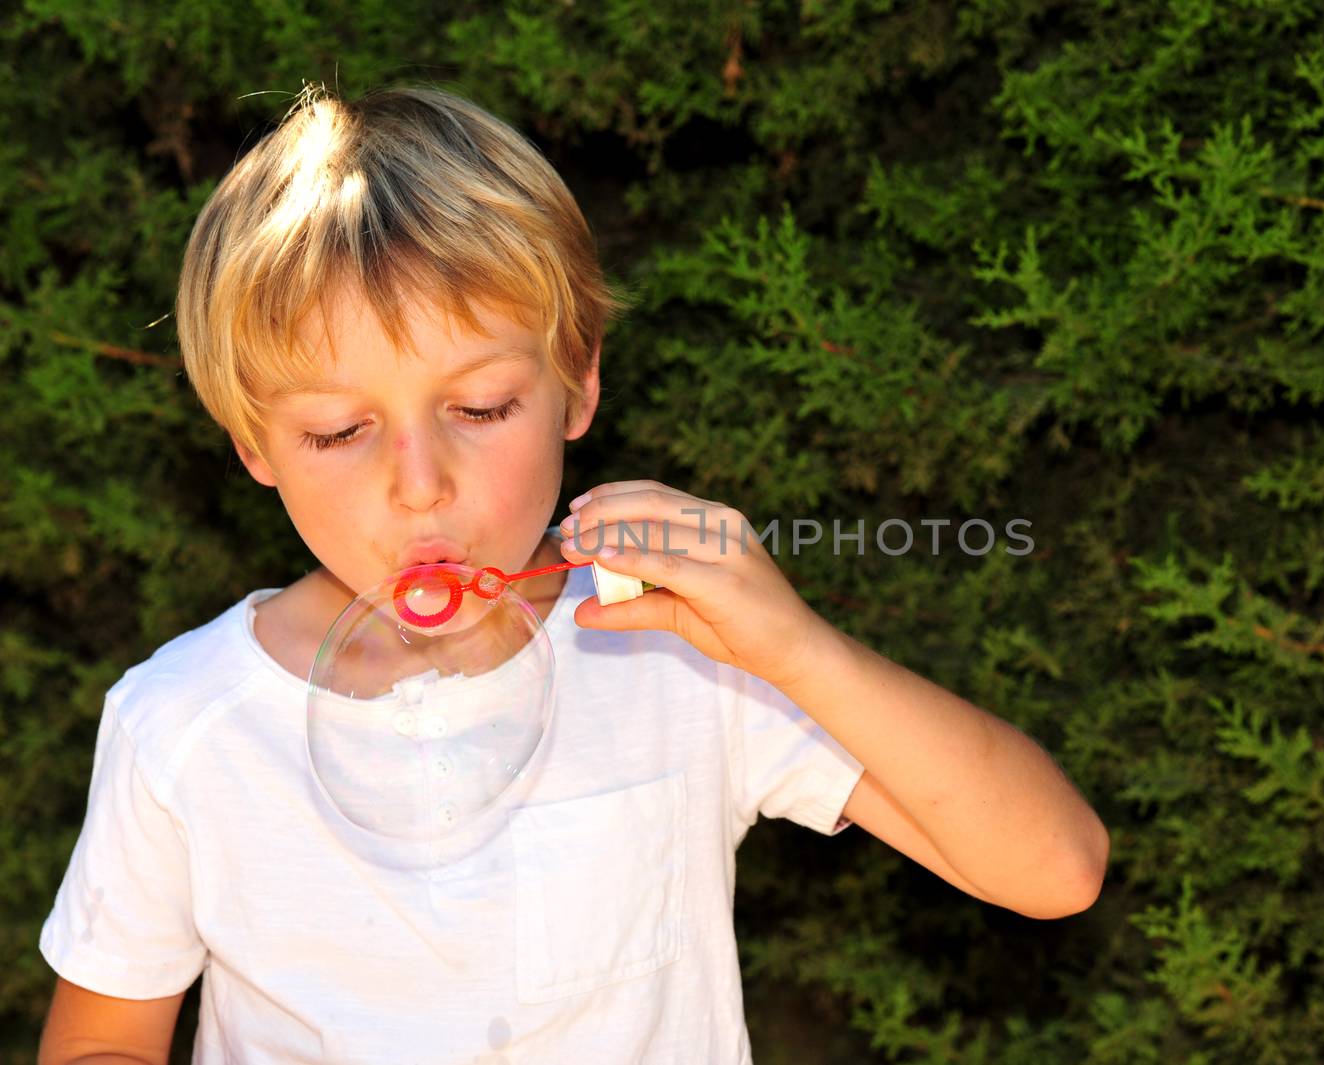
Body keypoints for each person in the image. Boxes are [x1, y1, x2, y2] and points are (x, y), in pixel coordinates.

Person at [36, 83, 1109, 1064]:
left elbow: (1054, 868)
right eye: (338, 430)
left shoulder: (675, 653)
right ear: (254, 447)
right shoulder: (185, 723)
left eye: (481, 408)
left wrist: (791, 646)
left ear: (576, 389)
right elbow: (102, 1041)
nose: (421, 485)